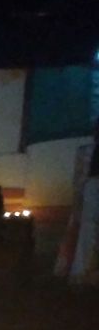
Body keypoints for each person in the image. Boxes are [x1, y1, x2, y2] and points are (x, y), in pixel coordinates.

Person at [55, 119, 98, 286]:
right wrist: (78, 200)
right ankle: (82, 272)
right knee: (87, 230)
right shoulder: (85, 151)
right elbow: (79, 178)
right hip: (90, 191)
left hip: (90, 190)